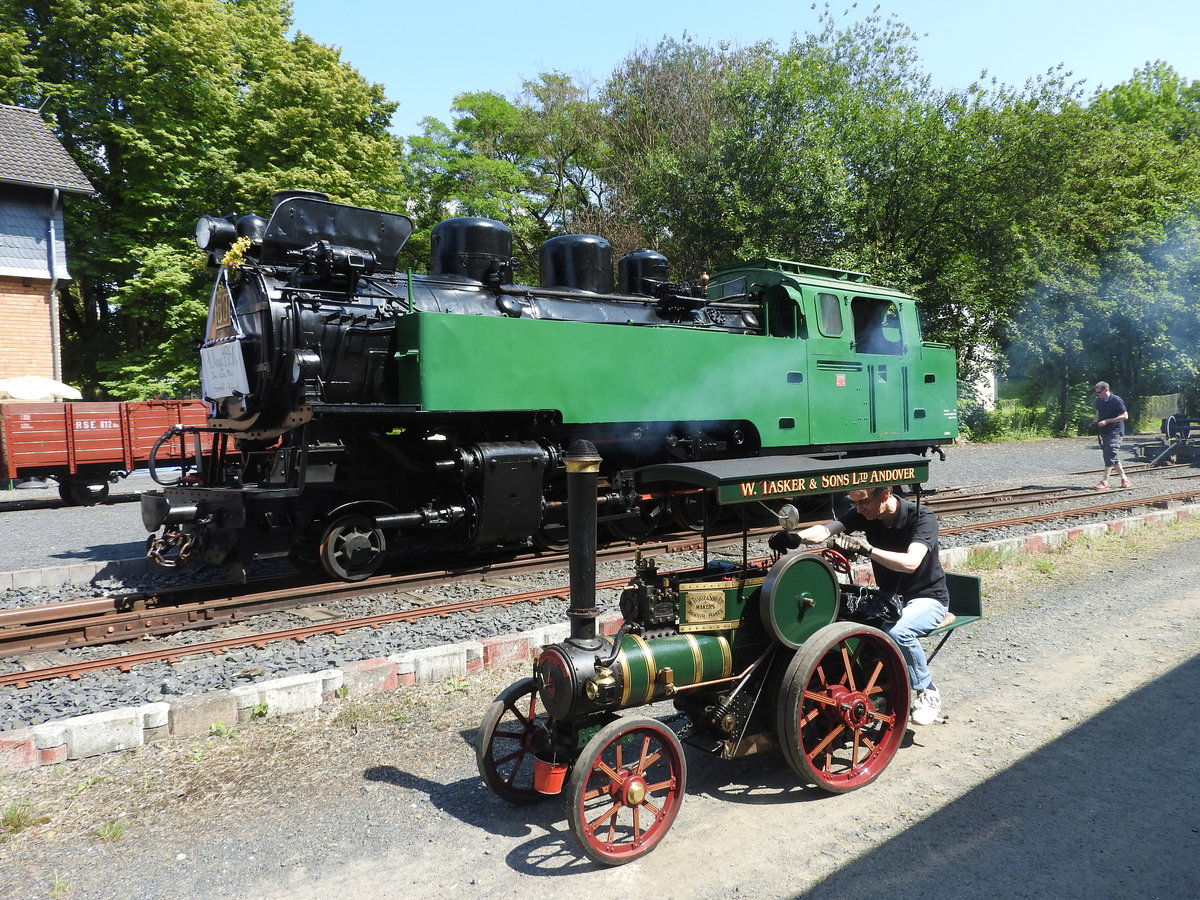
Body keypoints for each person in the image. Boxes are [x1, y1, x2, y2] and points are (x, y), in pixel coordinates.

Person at [789, 485, 949, 726]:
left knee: (898, 631)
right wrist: (795, 537)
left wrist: (868, 549)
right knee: (843, 621)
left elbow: (910, 563)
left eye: (863, 503)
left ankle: (927, 691)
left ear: (885, 495)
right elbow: (826, 530)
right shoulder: (865, 512)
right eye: (854, 503)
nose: (859, 509)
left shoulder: (922, 517)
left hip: (927, 597)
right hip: (888, 598)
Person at [1093, 381, 1130, 491]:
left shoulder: (1116, 400)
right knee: (1112, 455)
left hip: (1115, 431)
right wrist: (1096, 421)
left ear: (1105, 390)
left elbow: (1125, 416)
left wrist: (1107, 421)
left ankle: (1105, 481)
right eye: (1096, 393)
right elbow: (1098, 412)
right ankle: (1125, 479)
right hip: (1104, 431)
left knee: (1109, 454)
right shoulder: (1099, 401)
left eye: (1099, 392)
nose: (1097, 394)